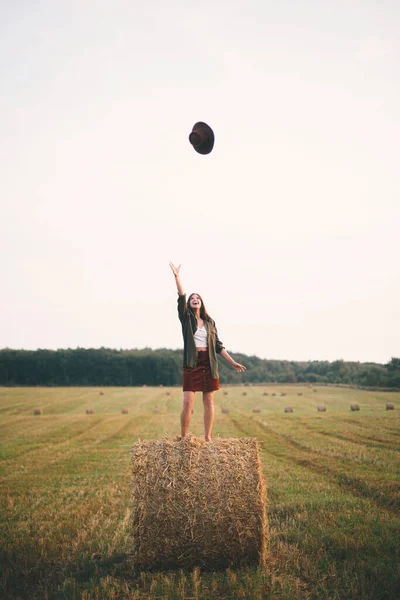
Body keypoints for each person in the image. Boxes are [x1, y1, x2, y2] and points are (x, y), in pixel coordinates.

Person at [169, 262, 246, 442]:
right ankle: (184, 437)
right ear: (189, 303)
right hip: (192, 363)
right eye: (192, 298)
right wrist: (177, 277)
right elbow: (181, 296)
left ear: (202, 302)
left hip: (209, 364)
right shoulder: (186, 318)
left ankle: (208, 437)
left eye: (198, 298)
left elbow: (218, 346)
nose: (195, 299)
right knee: (188, 402)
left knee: (209, 402)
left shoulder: (210, 323)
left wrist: (232, 362)